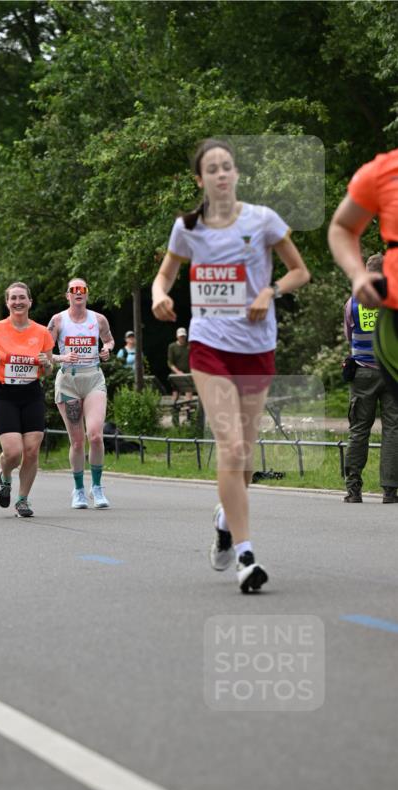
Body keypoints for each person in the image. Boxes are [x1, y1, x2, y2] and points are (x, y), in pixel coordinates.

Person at [152, 138, 310, 592]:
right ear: (200, 180)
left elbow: (299, 271)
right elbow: (166, 273)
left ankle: (224, 521)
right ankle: (246, 556)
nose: (222, 174)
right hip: (210, 345)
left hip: (257, 346)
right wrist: (162, 294)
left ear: (236, 174)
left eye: (228, 167)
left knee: (244, 458)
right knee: (231, 445)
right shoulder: (187, 227)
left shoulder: (263, 220)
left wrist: (271, 291)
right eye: (213, 169)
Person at [328, 148, 398, 503]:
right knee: (393, 431)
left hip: (362, 372)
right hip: (389, 373)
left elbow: (348, 334)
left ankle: (352, 489)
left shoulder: (353, 300)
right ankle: (390, 490)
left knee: (358, 430)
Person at [0, 282, 53, 517]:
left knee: (31, 451)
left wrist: (47, 364)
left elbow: (48, 367)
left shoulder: (42, 332)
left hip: (31, 392)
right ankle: (5, 475)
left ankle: (22, 500)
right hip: (5, 393)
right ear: (7, 302)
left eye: (22, 298)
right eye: (13, 298)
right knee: (13, 452)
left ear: (30, 302)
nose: (18, 302)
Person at [48, 277, 114, 508]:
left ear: (87, 294)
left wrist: (106, 349)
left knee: (95, 435)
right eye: (73, 290)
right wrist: (61, 357)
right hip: (68, 380)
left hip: (93, 377)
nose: (78, 293)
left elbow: (109, 341)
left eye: (82, 289)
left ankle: (97, 488)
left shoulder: (98, 319)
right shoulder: (58, 320)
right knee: (77, 442)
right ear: (67, 295)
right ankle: (78, 490)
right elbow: (44, 353)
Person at [167, 327, 194, 407]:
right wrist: (178, 372)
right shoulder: (172, 346)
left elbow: (193, 359)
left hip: (188, 373)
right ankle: (174, 414)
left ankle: (189, 416)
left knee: (189, 395)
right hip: (176, 374)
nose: (182, 338)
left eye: (183, 336)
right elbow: (170, 362)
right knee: (175, 394)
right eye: (180, 336)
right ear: (177, 336)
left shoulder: (189, 346)